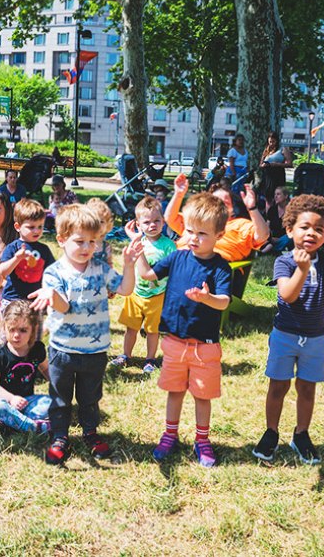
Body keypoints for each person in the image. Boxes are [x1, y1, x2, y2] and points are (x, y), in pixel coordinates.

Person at [34, 204, 140, 465]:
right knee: (60, 398)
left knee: (90, 397)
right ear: (61, 240)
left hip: (95, 350)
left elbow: (125, 289)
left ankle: (90, 432)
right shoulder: (54, 273)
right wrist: (52, 296)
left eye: (92, 242)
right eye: (79, 241)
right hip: (63, 350)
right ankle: (60, 436)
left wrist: (128, 265)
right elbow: (64, 306)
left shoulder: (101, 269)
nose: (86, 248)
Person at [253, 195, 324, 465]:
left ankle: (301, 434)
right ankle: (271, 432)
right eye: (304, 227)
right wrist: (302, 269)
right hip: (285, 336)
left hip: (317, 338)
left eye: (319, 229)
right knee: (278, 387)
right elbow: (288, 294)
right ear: (289, 230)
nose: (311, 233)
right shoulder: (284, 262)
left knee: (307, 389)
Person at [137, 192, 232, 467]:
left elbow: (224, 302)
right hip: (174, 342)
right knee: (174, 391)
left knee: (203, 396)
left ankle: (202, 440)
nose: (193, 238)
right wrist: (137, 255)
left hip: (205, 346)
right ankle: (170, 435)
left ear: (219, 235)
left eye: (202, 233)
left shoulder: (221, 268)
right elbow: (148, 275)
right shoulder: (177, 257)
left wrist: (207, 298)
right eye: (190, 231)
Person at [113, 197, 177, 373]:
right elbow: (129, 264)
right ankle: (126, 354)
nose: (152, 225)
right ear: (138, 225)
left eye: (157, 220)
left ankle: (150, 359)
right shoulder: (136, 242)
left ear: (163, 222)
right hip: (135, 293)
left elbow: (172, 271)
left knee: (152, 331)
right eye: (147, 222)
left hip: (157, 295)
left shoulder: (169, 245)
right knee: (131, 328)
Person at [166, 173, 269, 264]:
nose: (219, 206)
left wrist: (252, 208)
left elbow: (262, 236)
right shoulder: (196, 220)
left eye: (225, 203)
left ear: (232, 208)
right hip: (180, 261)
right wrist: (178, 194)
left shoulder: (241, 225)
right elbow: (170, 218)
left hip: (213, 268)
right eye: (215, 202)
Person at [0, 301, 51, 434]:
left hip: (27, 402)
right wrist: (11, 398)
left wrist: (59, 384)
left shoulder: (37, 350)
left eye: (23, 330)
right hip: (4, 402)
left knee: (52, 403)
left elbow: (46, 369)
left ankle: (12, 423)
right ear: (5, 328)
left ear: (33, 330)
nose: (16, 335)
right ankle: (31, 426)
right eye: (12, 329)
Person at [0, 199, 56, 305]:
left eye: (40, 226)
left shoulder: (44, 250)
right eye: (31, 227)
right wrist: (17, 258)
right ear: (18, 227)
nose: (37, 231)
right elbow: (3, 272)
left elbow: (52, 272)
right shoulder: (13, 247)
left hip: (35, 300)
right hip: (13, 299)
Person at [258, 130, 293, 201]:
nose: (271, 144)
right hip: (268, 176)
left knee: (278, 195)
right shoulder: (266, 151)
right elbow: (260, 164)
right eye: (270, 142)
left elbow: (289, 164)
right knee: (268, 196)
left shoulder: (283, 149)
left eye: (273, 141)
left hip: (278, 174)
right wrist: (264, 165)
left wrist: (276, 164)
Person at [86, 198, 115, 264]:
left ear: (107, 224)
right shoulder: (84, 244)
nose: (98, 225)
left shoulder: (106, 247)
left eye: (101, 221)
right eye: (94, 221)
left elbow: (109, 264)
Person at [264, 186, 291, 253]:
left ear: (286, 196)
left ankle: (271, 248)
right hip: (272, 238)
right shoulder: (272, 209)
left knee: (289, 238)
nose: (275, 196)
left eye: (278, 194)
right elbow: (267, 225)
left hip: (285, 238)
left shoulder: (291, 210)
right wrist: (270, 237)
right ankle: (271, 247)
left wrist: (278, 240)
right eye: (275, 194)